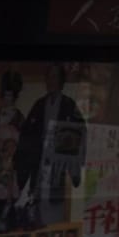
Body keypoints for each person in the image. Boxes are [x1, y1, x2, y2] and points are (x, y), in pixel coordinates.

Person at [15, 63, 88, 228]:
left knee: (54, 200)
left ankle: (53, 229)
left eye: (55, 76)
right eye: (49, 77)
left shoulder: (69, 104)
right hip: (38, 159)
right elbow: (26, 134)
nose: (51, 80)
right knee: (35, 196)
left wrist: (72, 164)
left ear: (61, 80)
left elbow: (80, 132)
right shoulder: (39, 104)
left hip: (58, 161)